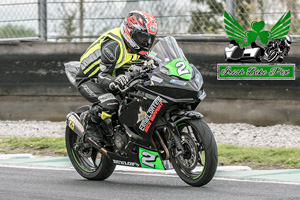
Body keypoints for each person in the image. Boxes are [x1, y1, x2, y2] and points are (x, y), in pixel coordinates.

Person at [75, 10, 157, 148]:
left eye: (149, 38)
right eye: (142, 37)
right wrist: (115, 81)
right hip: (90, 77)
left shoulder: (137, 48)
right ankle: (89, 122)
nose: (146, 42)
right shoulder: (114, 45)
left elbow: (154, 59)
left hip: (114, 71)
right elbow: (102, 77)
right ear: (129, 32)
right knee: (110, 104)